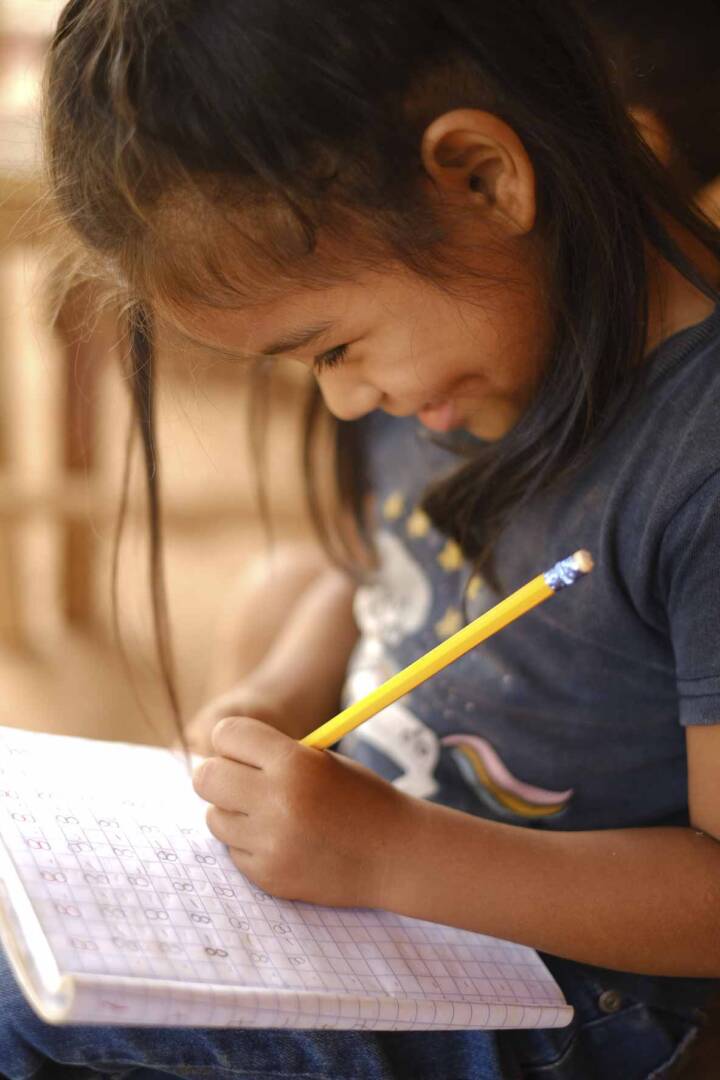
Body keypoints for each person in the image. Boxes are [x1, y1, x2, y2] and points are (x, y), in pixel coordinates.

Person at [3, 0, 720, 1076]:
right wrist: (282, 691)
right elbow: (370, 567)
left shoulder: (697, 463)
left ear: (481, 176)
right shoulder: (463, 348)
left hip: (582, 987)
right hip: (382, 890)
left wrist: (392, 854)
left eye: (333, 346)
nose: (342, 403)